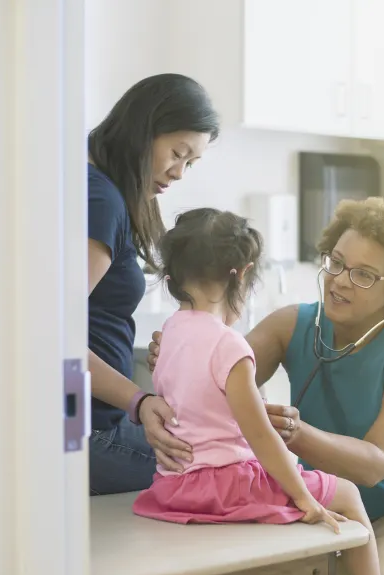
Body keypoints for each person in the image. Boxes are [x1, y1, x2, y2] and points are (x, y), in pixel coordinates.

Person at [146, 198, 384, 575]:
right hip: (317, 503)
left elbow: (376, 464)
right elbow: (219, 375)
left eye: (364, 275)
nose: (341, 280)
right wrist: (183, 354)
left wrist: (293, 433)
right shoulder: (293, 324)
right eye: (336, 262)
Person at [133, 208, 384, 575]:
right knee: (348, 495)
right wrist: (303, 497)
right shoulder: (228, 344)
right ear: (243, 274)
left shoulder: (170, 333)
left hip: (174, 485)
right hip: (223, 485)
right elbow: (262, 437)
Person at [87, 73, 219, 495]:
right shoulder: (100, 200)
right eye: (177, 153)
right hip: (88, 433)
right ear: (144, 130)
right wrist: (139, 401)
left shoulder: (94, 187)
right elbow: (52, 333)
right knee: (238, 465)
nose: (179, 173)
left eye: (190, 163)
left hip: (91, 423)